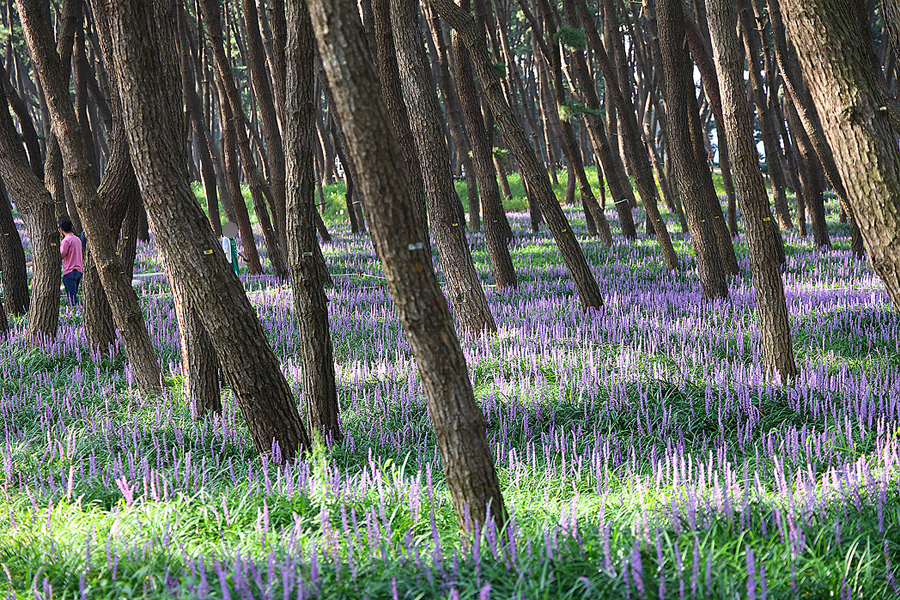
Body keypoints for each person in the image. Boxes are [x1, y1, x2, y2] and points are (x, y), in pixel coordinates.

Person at [58, 219, 83, 305]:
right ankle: (77, 311)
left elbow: (62, 255)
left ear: (61, 229)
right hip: (79, 271)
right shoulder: (77, 239)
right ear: (71, 227)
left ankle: (77, 312)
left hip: (69, 271)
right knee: (74, 294)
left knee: (72, 297)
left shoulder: (66, 241)